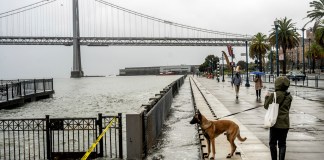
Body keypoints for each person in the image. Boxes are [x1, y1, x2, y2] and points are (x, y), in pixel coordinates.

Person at [264, 76, 293, 160]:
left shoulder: (274, 95)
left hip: (275, 123)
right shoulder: (289, 96)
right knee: (282, 144)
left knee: (272, 143)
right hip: (285, 123)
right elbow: (287, 108)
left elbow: (266, 106)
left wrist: (266, 97)